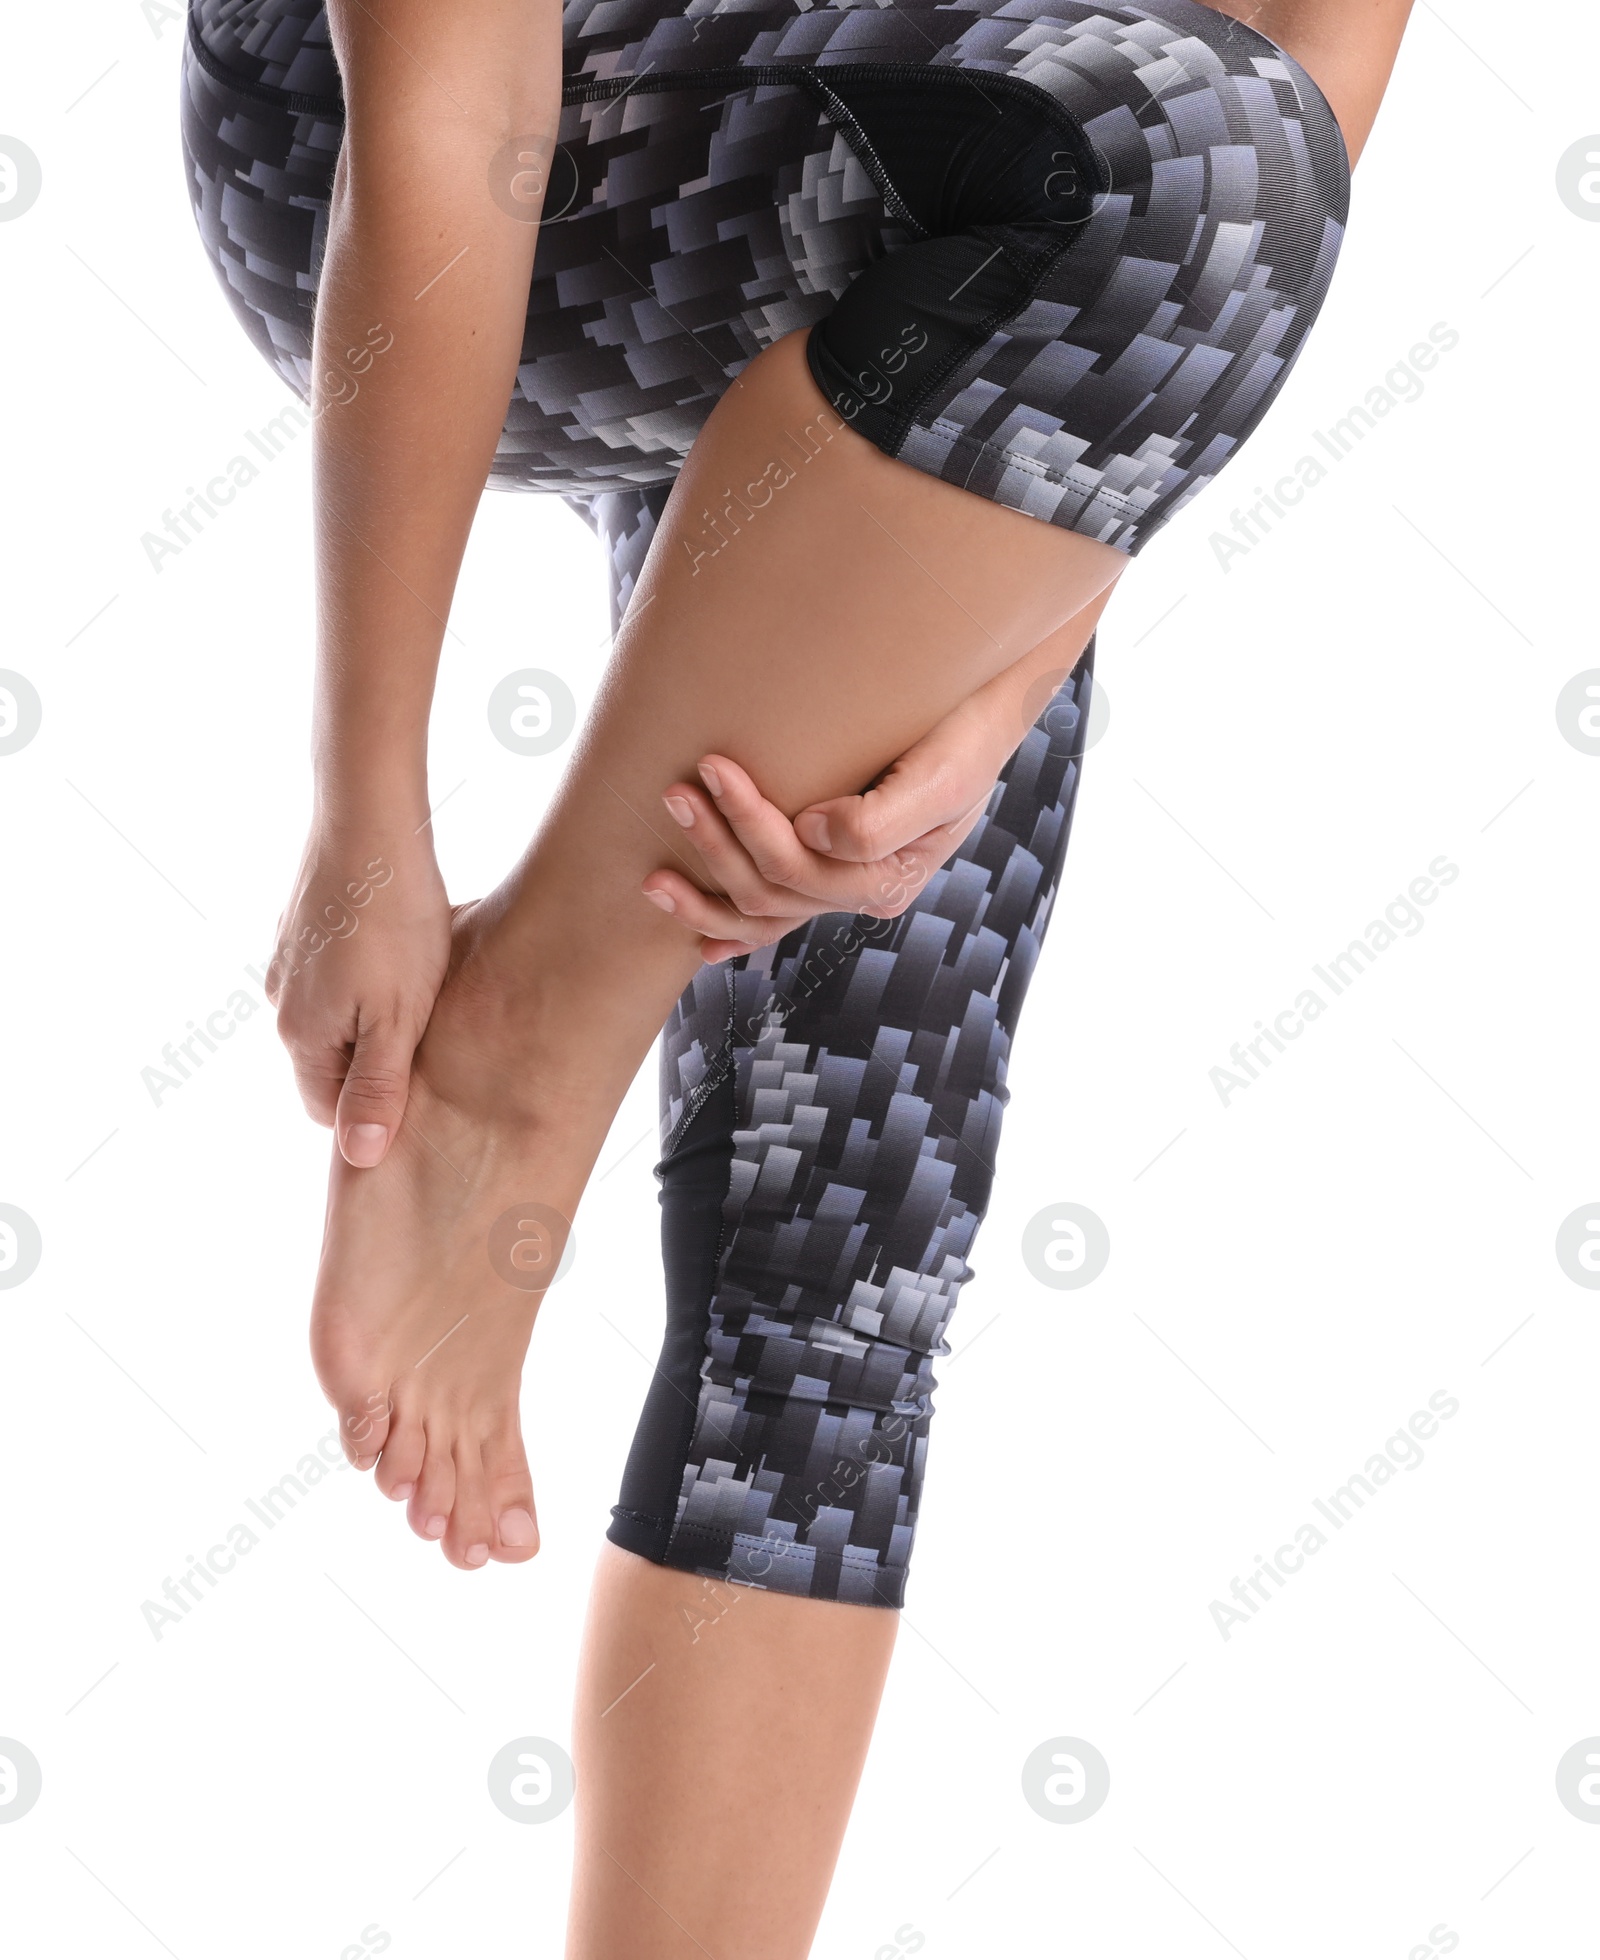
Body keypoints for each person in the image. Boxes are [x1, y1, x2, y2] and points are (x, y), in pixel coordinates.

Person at [180, 0, 1413, 1950]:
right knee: (1173, 156)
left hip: (973, 179)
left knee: (845, 1256)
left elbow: (1306, 88)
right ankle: (519, 1050)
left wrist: (1013, 640)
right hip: (454, 146)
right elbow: (455, 104)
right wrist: (367, 817)